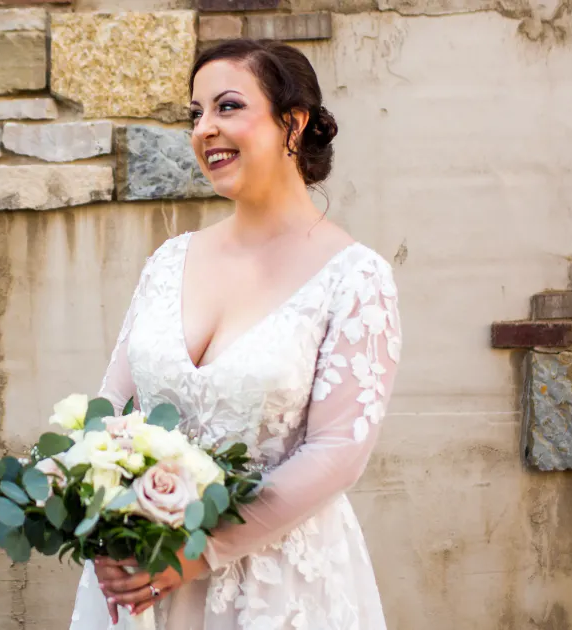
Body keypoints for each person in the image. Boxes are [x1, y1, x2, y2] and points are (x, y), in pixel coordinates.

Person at [68, 39, 402, 629]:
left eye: (227, 107)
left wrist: (195, 554)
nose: (204, 130)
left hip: (276, 585)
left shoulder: (355, 276)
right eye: (195, 114)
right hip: (140, 578)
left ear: (292, 125)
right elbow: (109, 411)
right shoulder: (170, 261)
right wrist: (100, 524)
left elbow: (337, 454)